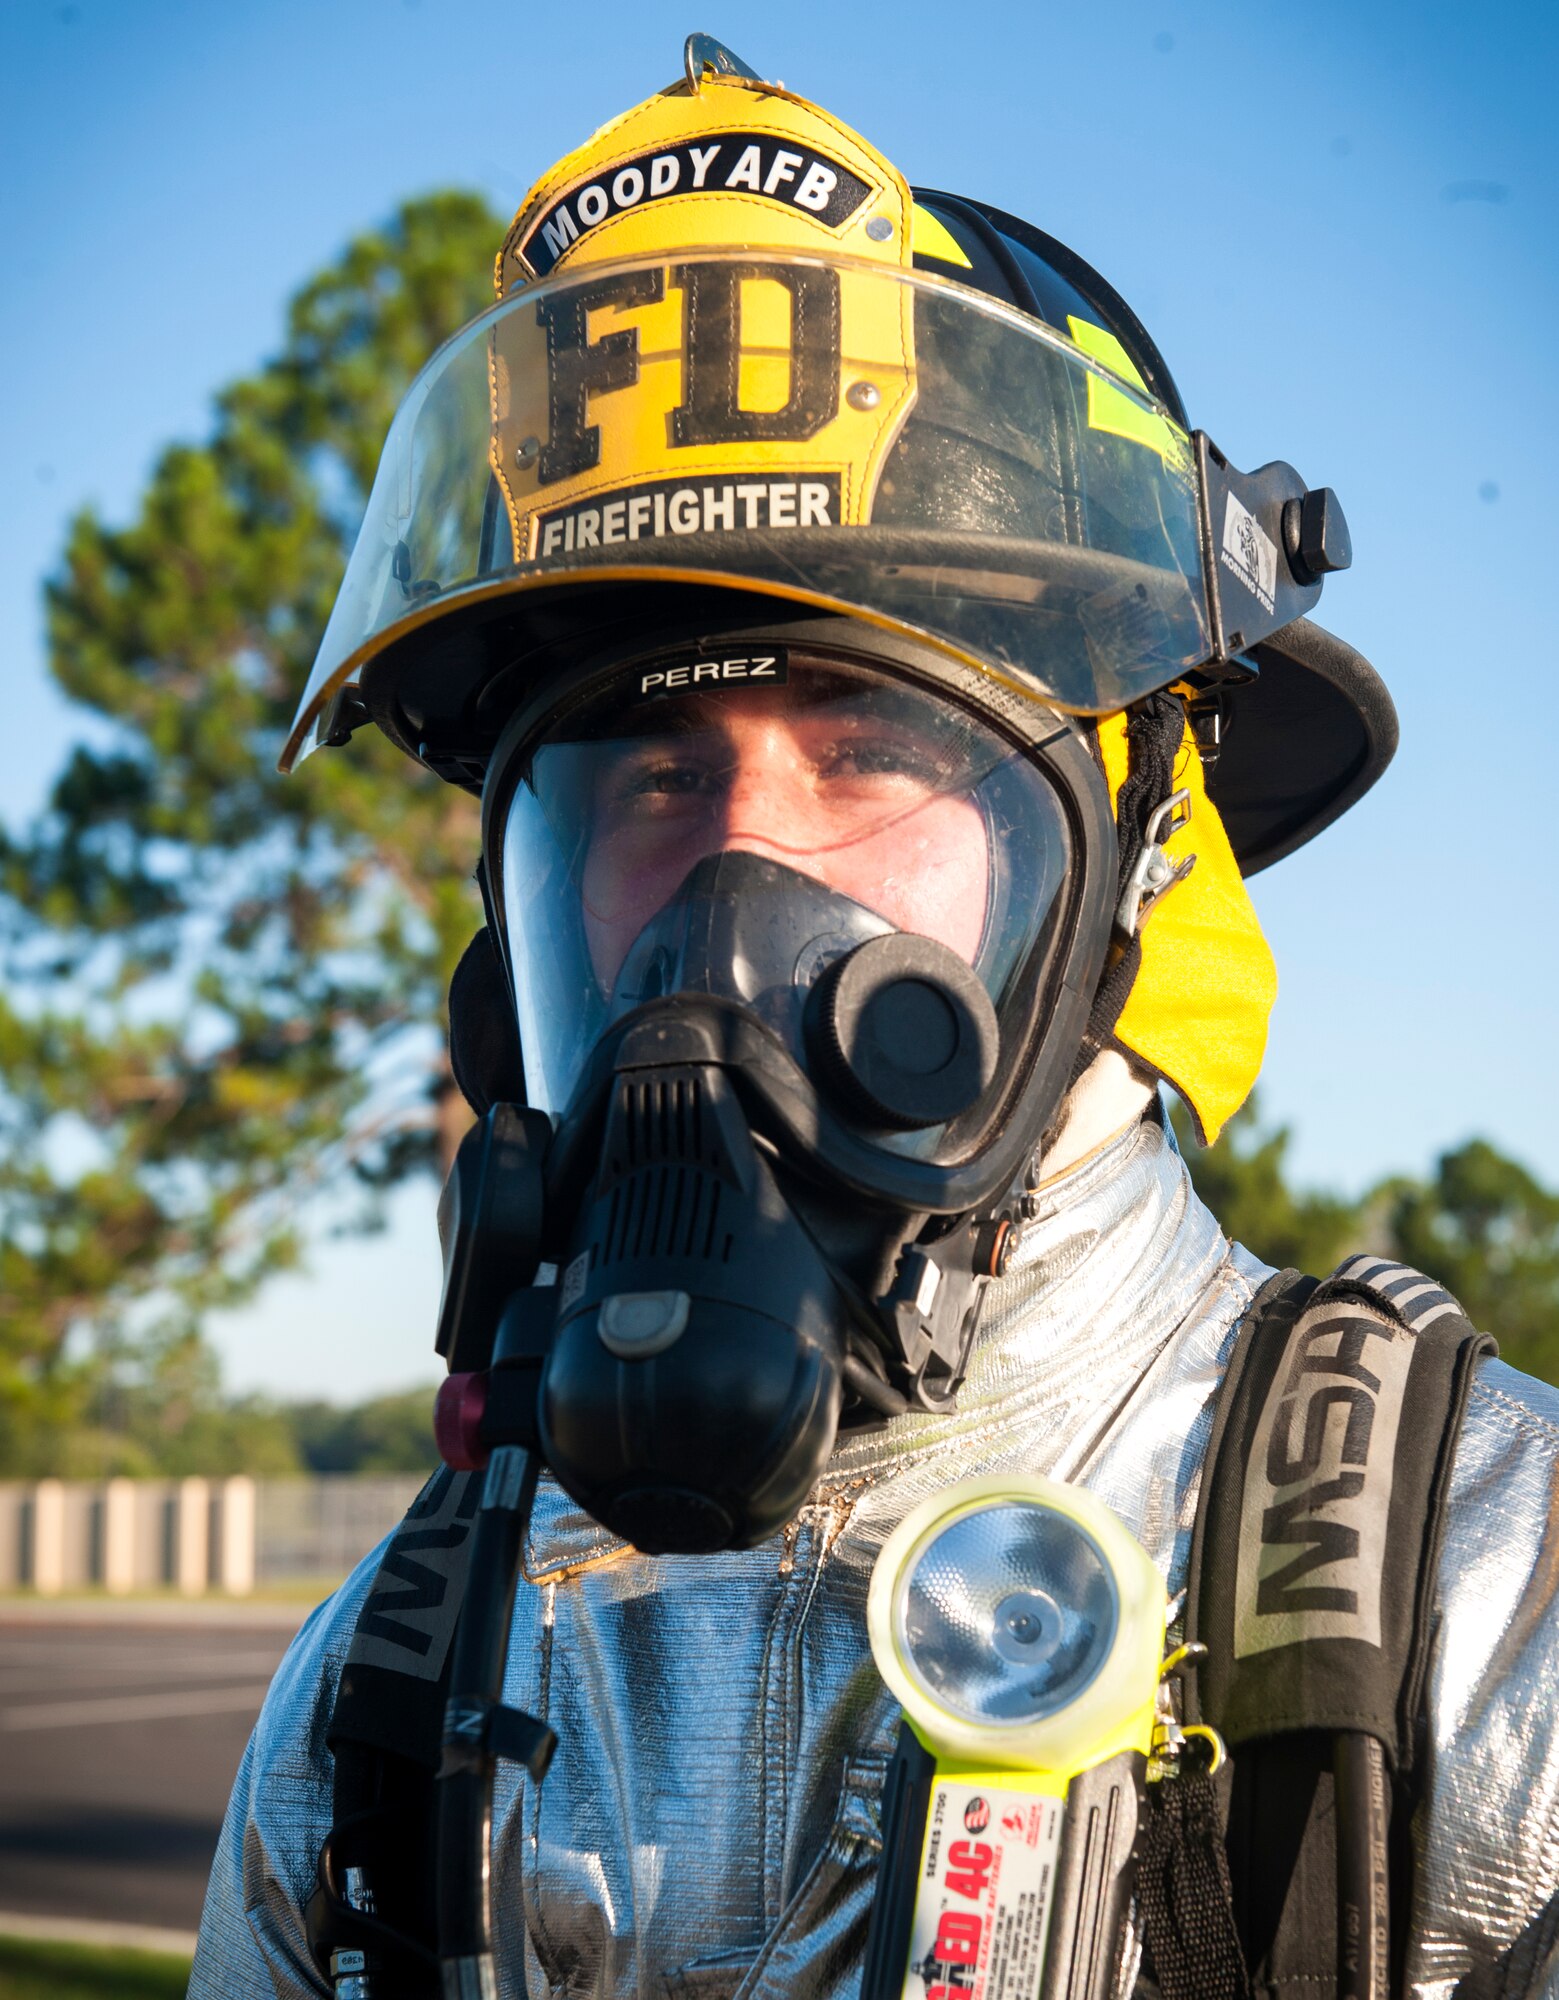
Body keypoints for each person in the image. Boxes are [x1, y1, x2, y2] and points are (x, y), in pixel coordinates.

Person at [190, 37, 1559, 1999]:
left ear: (1121, 874)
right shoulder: (385, 1701)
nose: (747, 894)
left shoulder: (1492, 1612)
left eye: (867, 753)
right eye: (650, 779)